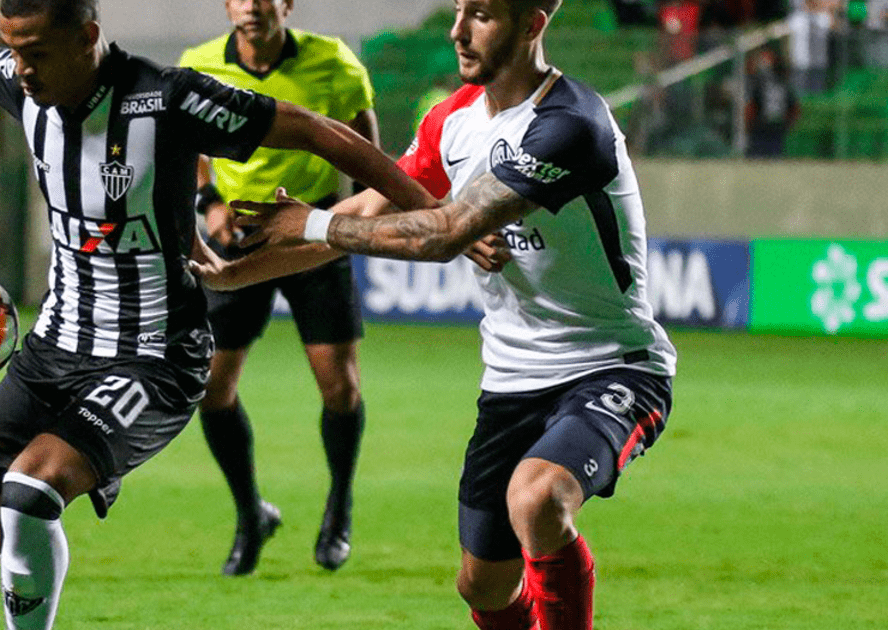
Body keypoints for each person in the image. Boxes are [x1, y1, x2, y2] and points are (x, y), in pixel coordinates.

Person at [0, 1, 436, 629]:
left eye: (37, 51)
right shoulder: (25, 83)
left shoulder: (165, 98)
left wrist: (430, 211)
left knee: (29, 495)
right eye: (13, 49)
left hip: (153, 357)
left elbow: (313, 129)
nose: (23, 69)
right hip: (52, 351)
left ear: (88, 37)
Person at [203, 1, 678, 628]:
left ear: (532, 25)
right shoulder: (450, 122)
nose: (457, 31)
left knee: (537, 499)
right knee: (481, 588)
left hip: (614, 367)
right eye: (457, 11)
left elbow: (443, 233)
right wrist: (231, 272)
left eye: (480, 15)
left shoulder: (570, 123)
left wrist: (314, 217)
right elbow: (360, 222)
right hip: (510, 384)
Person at [177, 0, 379, 576]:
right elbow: (187, 144)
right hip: (238, 236)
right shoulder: (199, 66)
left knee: (339, 386)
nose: (251, 6)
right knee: (211, 387)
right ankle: (250, 514)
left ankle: (338, 508)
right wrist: (209, 203)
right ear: (226, 5)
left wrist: (346, 222)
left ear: (286, 4)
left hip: (313, 233)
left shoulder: (334, 63)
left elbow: (366, 153)